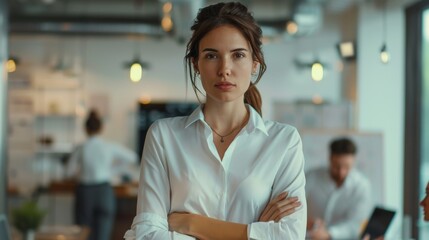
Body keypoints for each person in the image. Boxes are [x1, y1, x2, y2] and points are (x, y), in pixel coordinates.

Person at [124, 2, 306, 239]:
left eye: (238, 55)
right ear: (196, 64)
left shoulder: (284, 141)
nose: (224, 69)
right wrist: (254, 231)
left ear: (254, 63)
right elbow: (146, 235)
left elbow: (290, 236)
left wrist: (193, 225)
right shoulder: (163, 136)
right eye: (211, 56)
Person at [66, 109, 138, 240]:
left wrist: (81, 172)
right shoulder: (108, 146)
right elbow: (133, 157)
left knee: (83, 235)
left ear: (85, 129)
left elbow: (68, 172)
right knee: (103, 236)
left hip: (85, 192)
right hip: (104, 192)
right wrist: (112, 170)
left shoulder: (81, 147)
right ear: (101, 128)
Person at [306, 137, 373, 240]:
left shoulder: (362, 186)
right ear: (330, 158)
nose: (341, 172)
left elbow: (356, 224)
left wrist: (329, 234)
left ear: (354, 161)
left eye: (347, 167)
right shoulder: (311, 177)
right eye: (337, 166)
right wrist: (304, 221)